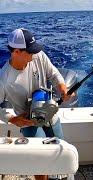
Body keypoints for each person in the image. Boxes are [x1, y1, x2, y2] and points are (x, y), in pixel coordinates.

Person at [0, 28, 72, 180]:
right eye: (29, 51)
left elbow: (53, 73)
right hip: (28, 122)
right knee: (40, 160)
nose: (34, 54)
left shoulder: (38, 56)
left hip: (50, 113)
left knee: (60, 149)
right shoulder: (4, 78)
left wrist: (63, 89)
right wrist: (12, 119)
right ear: (16, 52)